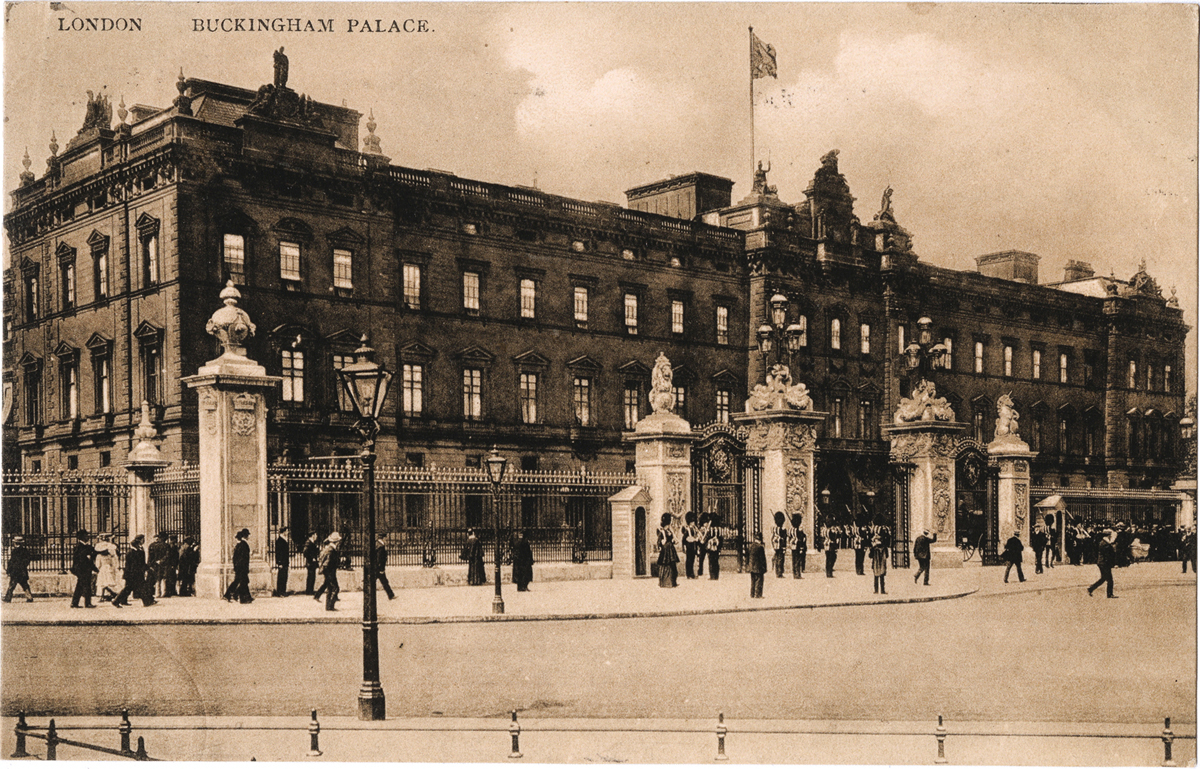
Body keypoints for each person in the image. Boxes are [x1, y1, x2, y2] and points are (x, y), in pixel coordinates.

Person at [112, 534, 155, 608]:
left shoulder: (137, 551)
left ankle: (147, 601)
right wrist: (146, 568)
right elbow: (137, 564)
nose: (143, 541)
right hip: (133, 574)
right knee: (139, 587)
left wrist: (147, 568)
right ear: (139, 541)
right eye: (142, 539)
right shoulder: (132, 552)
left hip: (134, 573)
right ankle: (147, 601)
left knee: (130, 588)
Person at [69, 529, 98, 608]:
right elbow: (83, 559)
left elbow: (94, 553)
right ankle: (87, 603)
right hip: (82, 570)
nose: (88, 537)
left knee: (80, 586)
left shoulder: (86, 546)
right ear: (82, 537)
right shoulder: (79, 547)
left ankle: (74, 603)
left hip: (84, 569)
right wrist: (94, 568)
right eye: (86, 535)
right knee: (87, 586)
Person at [224, 528, 253, 604]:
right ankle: (237, 596)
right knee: (243, 582)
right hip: (242, 568)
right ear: (245, 536)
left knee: (243, 582)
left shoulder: (241, 544)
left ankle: (246, 597)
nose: (249, 537)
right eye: (248, 535)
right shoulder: (244, 545)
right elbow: (243, 559)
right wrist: (243, 568)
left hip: (240, 567)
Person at [1088, 528, 1118, 598]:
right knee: (1110, 580)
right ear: (1108, 535)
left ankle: (1091, 588)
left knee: (1103, 578)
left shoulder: (1103, 542)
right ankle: (1109, 594)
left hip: (1102, 562)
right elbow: (1108, 555)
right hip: (1104, 563)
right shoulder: (1105, 544)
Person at [93, 532, 120, 602]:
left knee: (103, 583)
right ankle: (110, 594)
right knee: (107, 583)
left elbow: (98, 564)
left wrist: (97, 569)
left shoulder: (99, 556)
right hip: (109, 569)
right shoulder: (109, 555)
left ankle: (106, 595)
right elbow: (113, 562)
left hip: (103, 570)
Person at [318, 532, 342, 611]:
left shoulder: (328, 548)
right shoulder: (331, 550)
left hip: (329, 572)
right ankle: (330, 606)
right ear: (336, 542)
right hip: (330, 572)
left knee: (330, 588)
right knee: (335, 588)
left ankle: (328, 606)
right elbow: (328, 562)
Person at [656, 514, 679, 588]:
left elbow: (672, 540)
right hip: (665, 550)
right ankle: (666, 583)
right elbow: (662, 542)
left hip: (671, 549)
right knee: (666, 566)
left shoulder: (669, 530)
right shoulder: (661, 531)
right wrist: (664, 534)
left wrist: (673, 539)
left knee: (672, 566)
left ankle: (673, 582)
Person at [374, 533, 396, 600]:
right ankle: (390, 595)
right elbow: (379, 559)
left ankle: (391, 595)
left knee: (384, 581)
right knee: (383, 581)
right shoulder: (380, 546)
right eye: (386, 538)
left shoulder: (378, 544)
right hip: (379, 568)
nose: (386, 539)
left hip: (377, 568)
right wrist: (381, 569)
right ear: (383, 538)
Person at [147, 532, 168, 598]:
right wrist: (161, 561)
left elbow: (150, 556)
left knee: (157, 578)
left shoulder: (152, 545)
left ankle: (157, 593)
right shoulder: (165, 545)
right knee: (163, 578)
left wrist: (149, 564)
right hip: (163, 563)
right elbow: (167, 555)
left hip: (155, 563)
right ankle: (163, 592)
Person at [747, 532, 767, 598]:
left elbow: (747, 556)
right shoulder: (760, 547)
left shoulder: (751, 546)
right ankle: (758, 594)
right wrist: (764, 567)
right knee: (759, 580)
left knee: (753, 581)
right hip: (758, 567)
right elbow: (762, 558)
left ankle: (752, 594)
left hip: (751, 566)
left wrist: (748, 565)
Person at [681, 512, 700, 579]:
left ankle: (692, 573)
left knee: (692, 560)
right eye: (692, 522)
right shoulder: (687, 529)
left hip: (694, 546)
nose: (693, 523)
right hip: (689, 546)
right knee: (689, 560)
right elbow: (684, 539)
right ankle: (689, 574)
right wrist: (684, 546)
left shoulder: (694, 529)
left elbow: (696, 535)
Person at [770, 512, 789, 578]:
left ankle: (777, 572)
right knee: (780, 559)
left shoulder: (774, 529)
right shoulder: (783, 530)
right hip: (781, 546)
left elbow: (772, 538)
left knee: (777, 559)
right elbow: (784, 539)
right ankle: (779, 573)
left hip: (775, 546)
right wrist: (784, 547)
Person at [273, 527, 291, 597]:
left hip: (285, 562)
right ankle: (280, 592)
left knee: (284, 577)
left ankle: (283, 591)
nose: (287, 532)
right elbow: (278, 553)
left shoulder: (284, 539)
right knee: (281, 577)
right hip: (282, 562)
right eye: (286, 531)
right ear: (283, 532)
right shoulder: (279, 540)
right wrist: (279, 563)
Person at [303, 531, 320, 595]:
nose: (316, 536)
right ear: (313, 535)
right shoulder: (308, 542)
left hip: (313, 563)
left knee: (312, 576)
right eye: (315, 535)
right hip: (310, 562)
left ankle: (311, 590)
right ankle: (309, 591)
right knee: (310, 576)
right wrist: (311, 558)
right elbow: (305, 552)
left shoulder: (312, 542)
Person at [790, 513, 805, 578]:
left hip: (793, 545)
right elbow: (801, 539)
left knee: (794, 560)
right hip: (798, 545)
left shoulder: (791, 530)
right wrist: (802, 547)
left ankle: (794, 573)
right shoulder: (799, 530)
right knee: (798, 560)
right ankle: (797, 574)